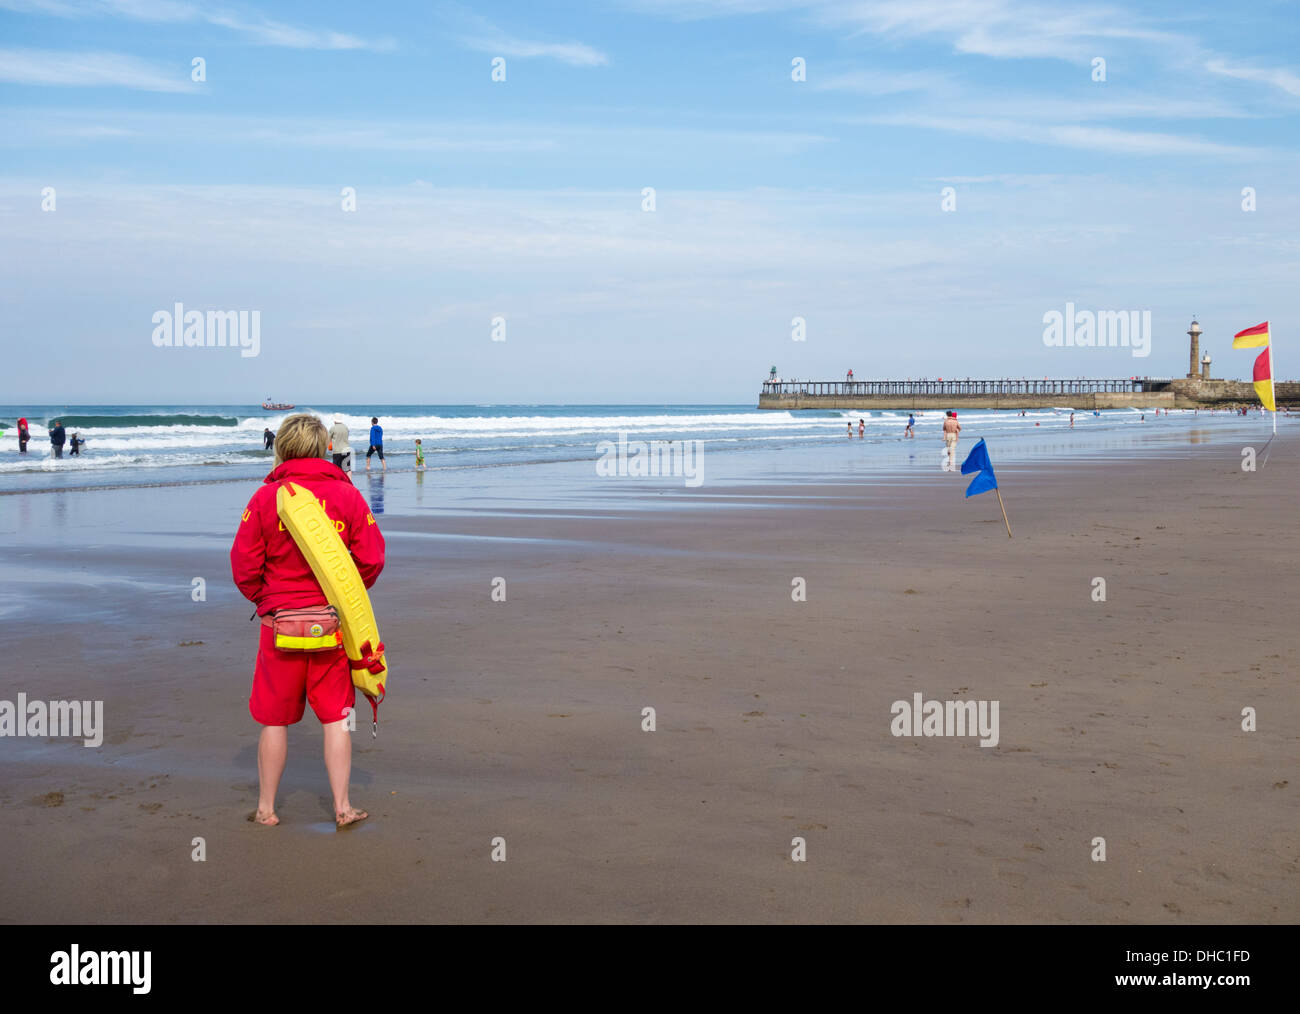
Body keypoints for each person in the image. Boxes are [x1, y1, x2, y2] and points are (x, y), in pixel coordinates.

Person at [230, 414, 385, 829]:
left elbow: (243, 566)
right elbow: (371, 559)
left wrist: (267, 602)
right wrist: (344, 599)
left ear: (281, 447)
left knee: (274, 719)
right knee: (336, 717)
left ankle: (266, 809)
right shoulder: (348, 496)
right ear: (322, 448)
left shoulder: (266, 499)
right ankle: (343, 808)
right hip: (331, 627)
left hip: (278, 628)